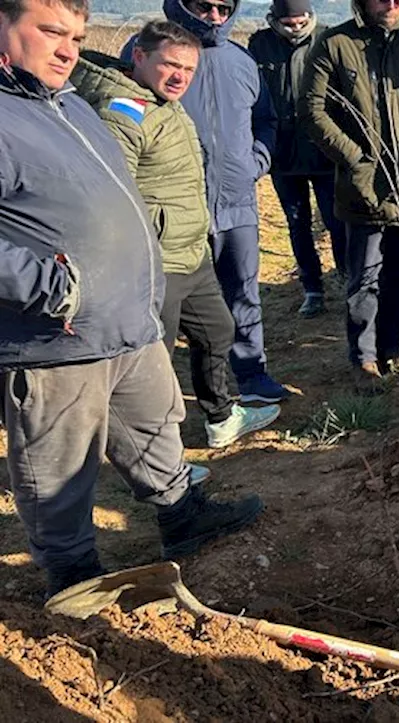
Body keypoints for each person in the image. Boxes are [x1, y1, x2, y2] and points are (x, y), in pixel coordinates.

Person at [0, 0, 263, 598]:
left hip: (127, 321)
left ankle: (182, 517)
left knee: (155, 426)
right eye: (49, 32)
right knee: (57, 466)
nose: (68, 48)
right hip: (55, 340)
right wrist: (50, 289)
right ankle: (71, 574)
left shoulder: (68, 105)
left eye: (76, 36)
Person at [72, 20, 281, 451]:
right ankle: (155, 451)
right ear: (140, 57)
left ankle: (221, 417)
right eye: (169, 65)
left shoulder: (165, 104)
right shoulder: (124, 112)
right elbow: (113, 195)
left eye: (188, 69)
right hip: (157, 263)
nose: (180, 76)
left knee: (218, 332)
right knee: (154, 362)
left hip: (192, 253)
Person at [126, 0, 288, 404]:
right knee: (168, 304)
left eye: (223, 7)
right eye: (204, 5)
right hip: (174, 209)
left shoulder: (241, 61)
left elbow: (265, 119)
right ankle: (159, 395)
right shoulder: (148, 52)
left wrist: (256, 161)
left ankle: (251, 375)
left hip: (237, 202)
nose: (214, 15)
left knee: (244, 291)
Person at [299, 0, 399, 394]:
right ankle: (363, 358)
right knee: (364, 278)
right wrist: (356, 160)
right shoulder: (335, 45)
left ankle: (391, 350)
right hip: (361, 187)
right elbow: (313, 110)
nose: (391, 4)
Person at [248, 0, 345, 320]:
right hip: (283, 153)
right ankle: (312, 288)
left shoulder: (327, 39)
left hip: (323, 151)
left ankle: (345, 278)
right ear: (275, 19)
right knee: (297, 223)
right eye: (288, 22)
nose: (295, 27)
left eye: (301, 20)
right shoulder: (259, 44)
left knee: (337, 220)